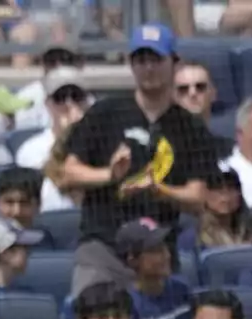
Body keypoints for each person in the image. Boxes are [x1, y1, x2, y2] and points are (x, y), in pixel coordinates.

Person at [59, 23, 217, 296]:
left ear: (173, 63)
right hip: (103, 246)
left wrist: (159, 189)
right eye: (141, 60)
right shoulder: (105, 112)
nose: (148, 67)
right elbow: (68, 173)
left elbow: (199, 198)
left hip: (157, 253)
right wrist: (110, 175)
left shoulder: (190, 126)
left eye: (156, 59)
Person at [118, 218, 192, 319]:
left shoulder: (182, 289)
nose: (167, 255)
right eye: (156, 251)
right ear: (133, 260)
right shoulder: (128, 306)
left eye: (165, 248)